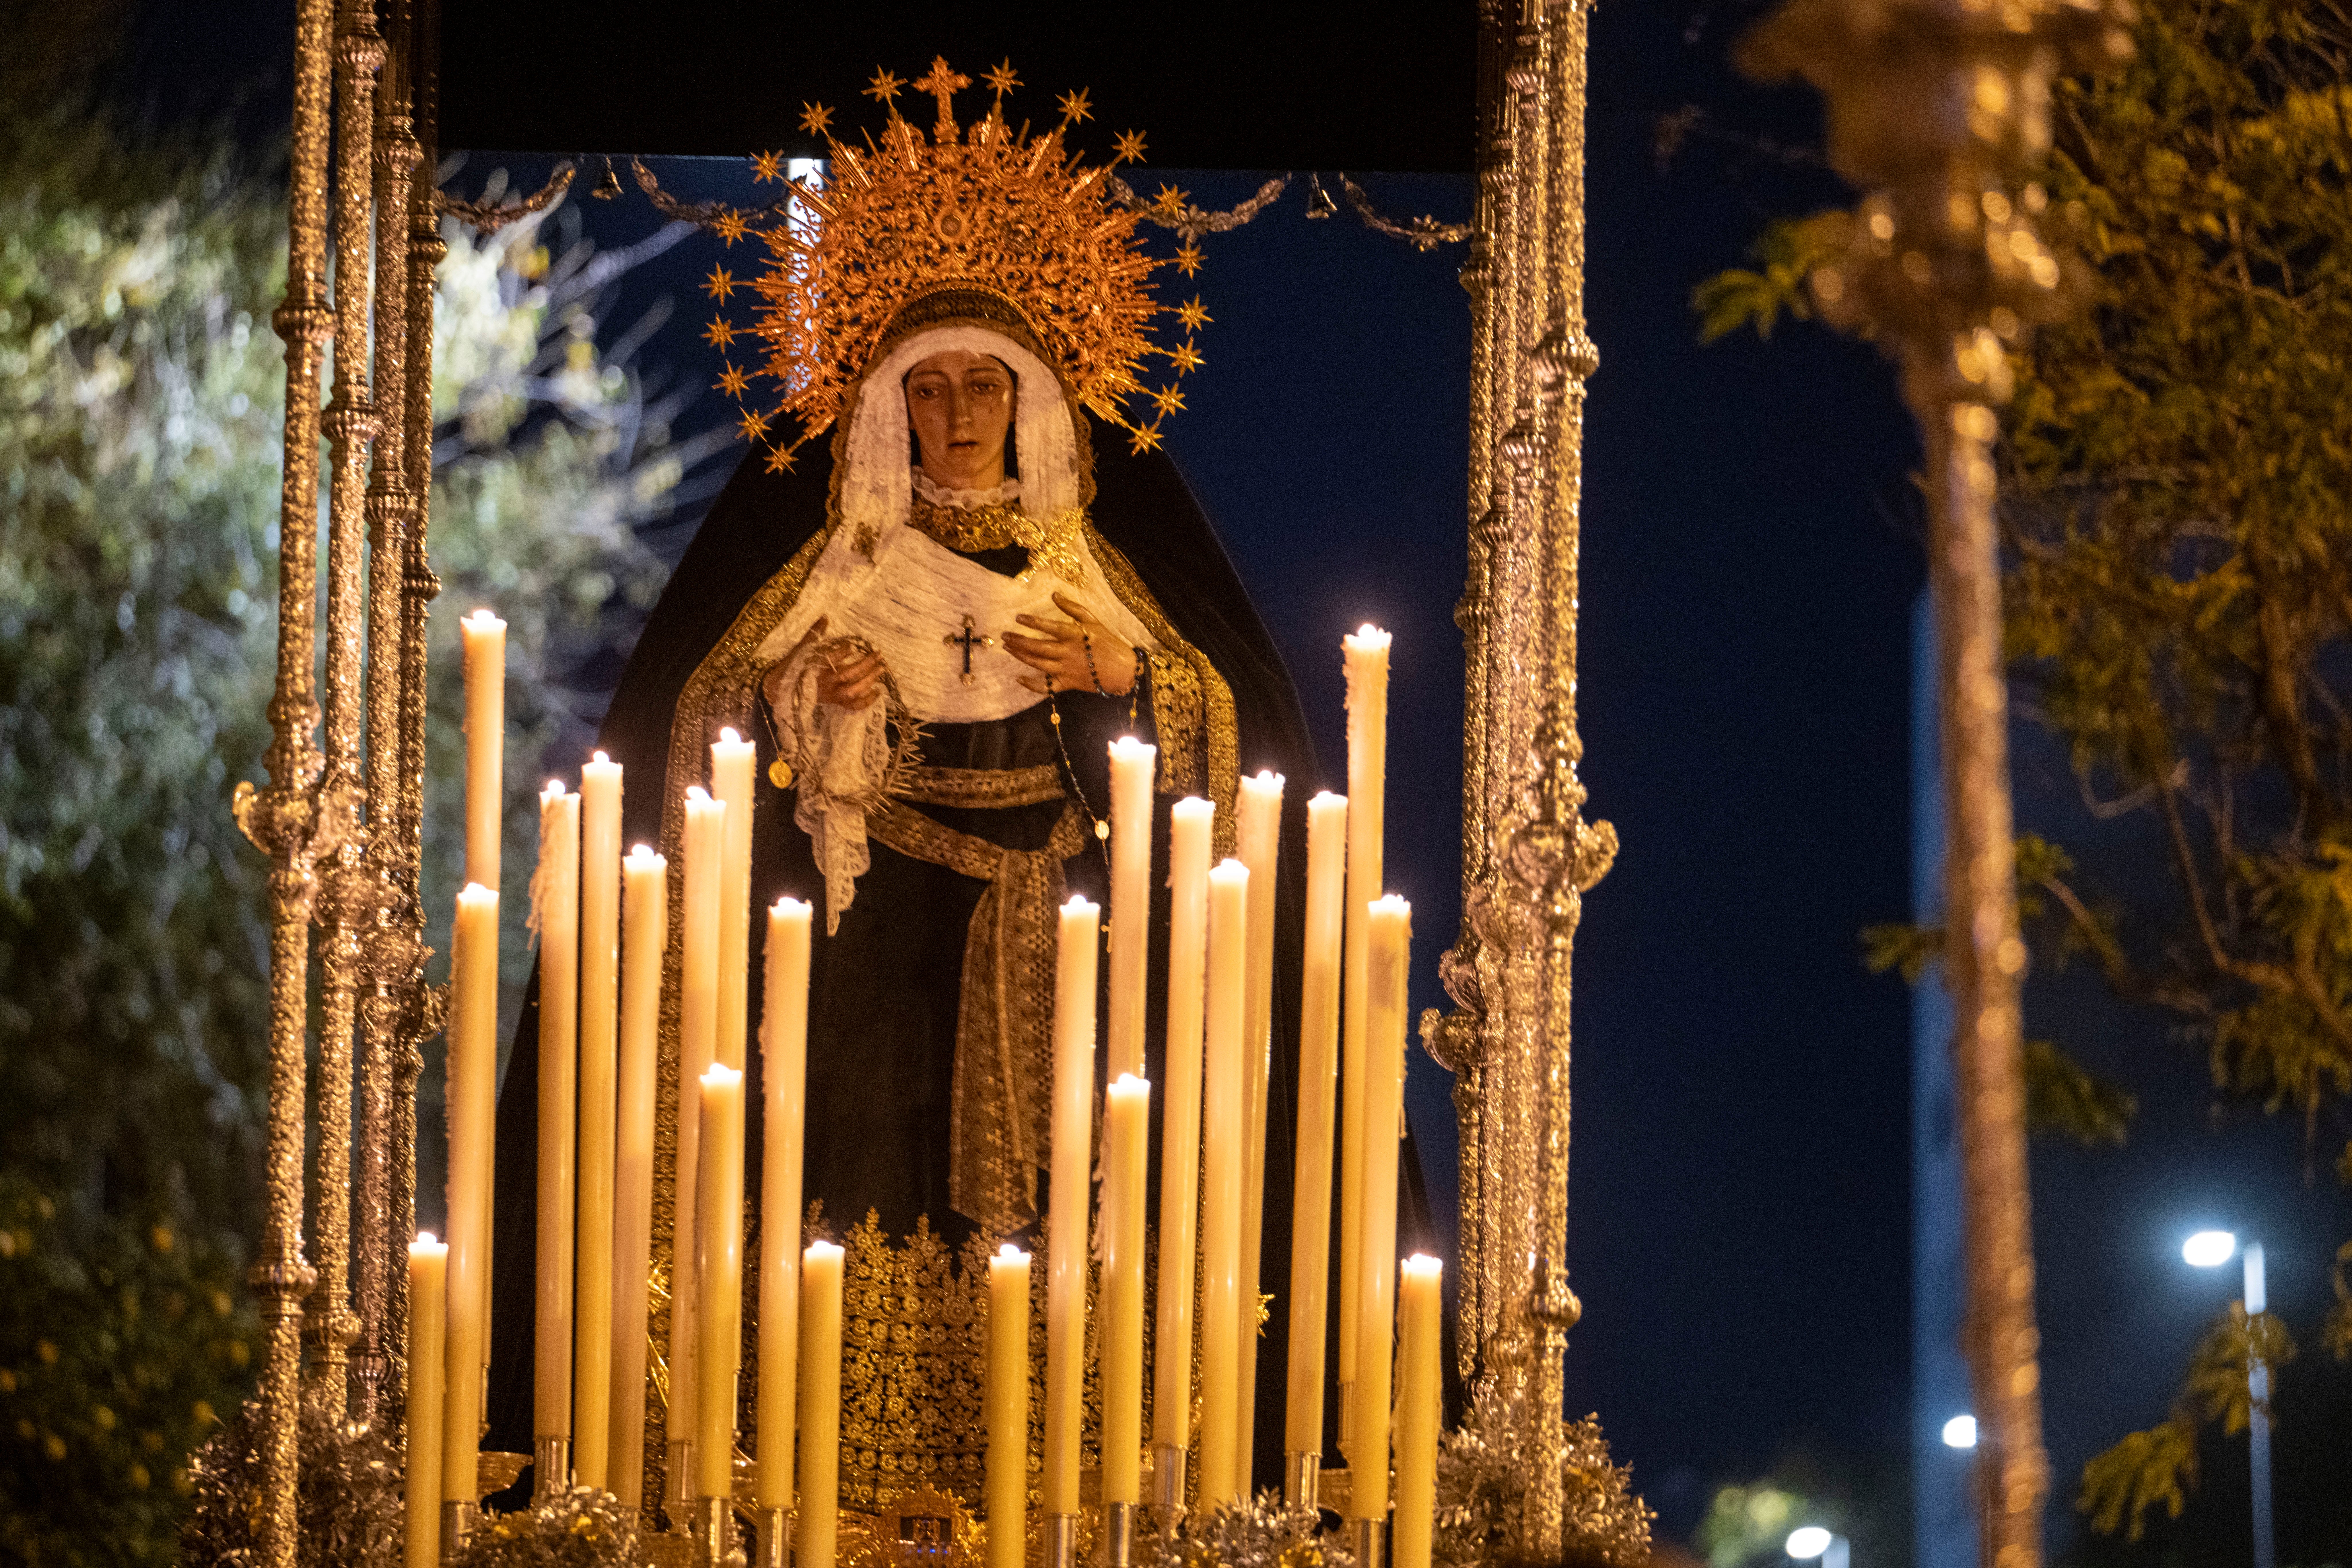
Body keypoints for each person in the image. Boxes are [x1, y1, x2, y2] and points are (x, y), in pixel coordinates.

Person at [485, 71, 1349, 1507]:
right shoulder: (825, 551)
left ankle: (1071, 1487)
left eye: (983, 386)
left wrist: (1123, 684)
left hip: (1064, 949)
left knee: (1066, 1235)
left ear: (1031, 399)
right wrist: (800, 711)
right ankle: (818, 1486)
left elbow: (1249, 737)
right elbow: (689, 727)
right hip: (863, 953)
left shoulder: (1105, 554)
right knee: (843, 1209)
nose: (957, 415)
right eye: (929, 388)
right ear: (888, 405)